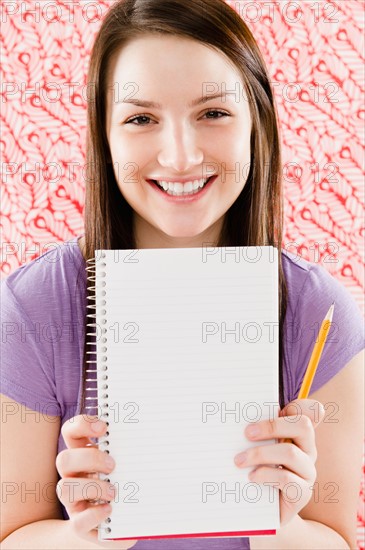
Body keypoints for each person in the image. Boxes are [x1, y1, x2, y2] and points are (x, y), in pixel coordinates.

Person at [1, 0, 364, 548]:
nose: (179, 156)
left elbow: (337, 540)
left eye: (213, 113)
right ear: (104, 137)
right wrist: (93, 535)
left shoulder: (319, 314)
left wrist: (281, 522)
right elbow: (12, 536)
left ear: (256, 122)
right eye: (140, 118)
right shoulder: (34, 308)